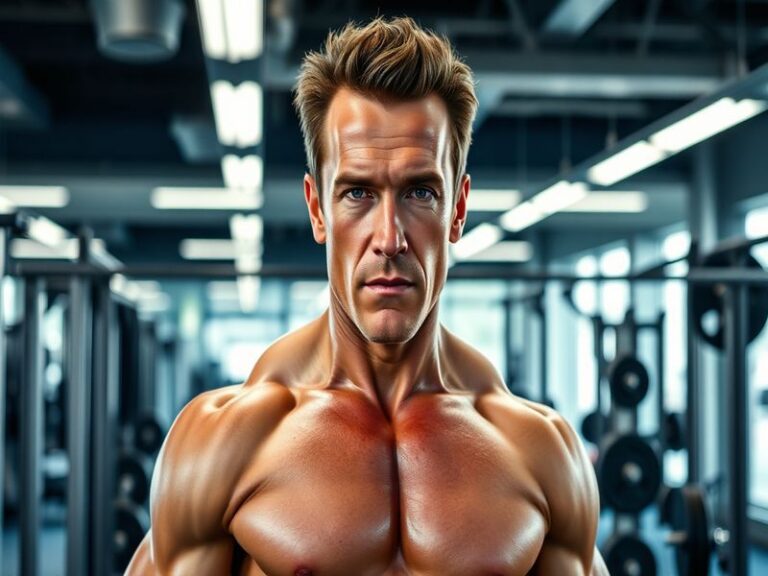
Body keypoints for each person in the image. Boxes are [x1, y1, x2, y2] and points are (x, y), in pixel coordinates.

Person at [127, 16, 608, 575]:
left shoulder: (542, 452)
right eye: (357, 192)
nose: (389, 238)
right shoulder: (225, 441)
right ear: (316, 209)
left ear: (458, 208)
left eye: (420, 192)